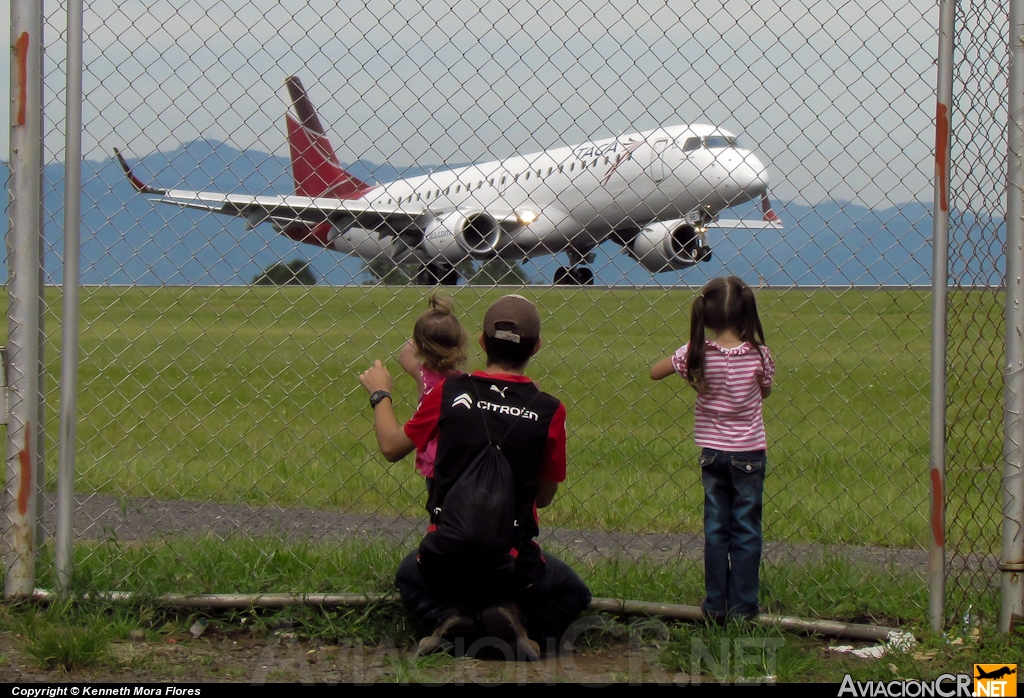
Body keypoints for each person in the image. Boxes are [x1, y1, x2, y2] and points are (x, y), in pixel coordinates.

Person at [358, 294, 592, 660]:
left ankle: (452, 616)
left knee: (408, 574)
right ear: (537, 347)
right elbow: (543, 497)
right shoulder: (550, 411)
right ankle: (514, 618)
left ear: (482, 342)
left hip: (446, 556)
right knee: (574, 593)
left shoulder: (448, 392)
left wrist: (380, 393)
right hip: (513, 561)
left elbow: (391, 446)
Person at [650, 276, 775, 622]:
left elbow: (653, 372)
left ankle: (715, 604)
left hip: (712, 454)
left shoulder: (696, 353)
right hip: (749, 452)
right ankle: (744, 607)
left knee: (716, 529)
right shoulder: (759, 356)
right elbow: (764, 392)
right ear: (747, 312)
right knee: (747, 529)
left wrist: (689, 369)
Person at [396, 293, 468, 503]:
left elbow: (404, 355)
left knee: (437, 508)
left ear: (421, 344)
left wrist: (422, 332)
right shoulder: (464, 381)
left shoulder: (423, 376)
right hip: (460, 460)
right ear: (459, 342)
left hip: (433, 462)